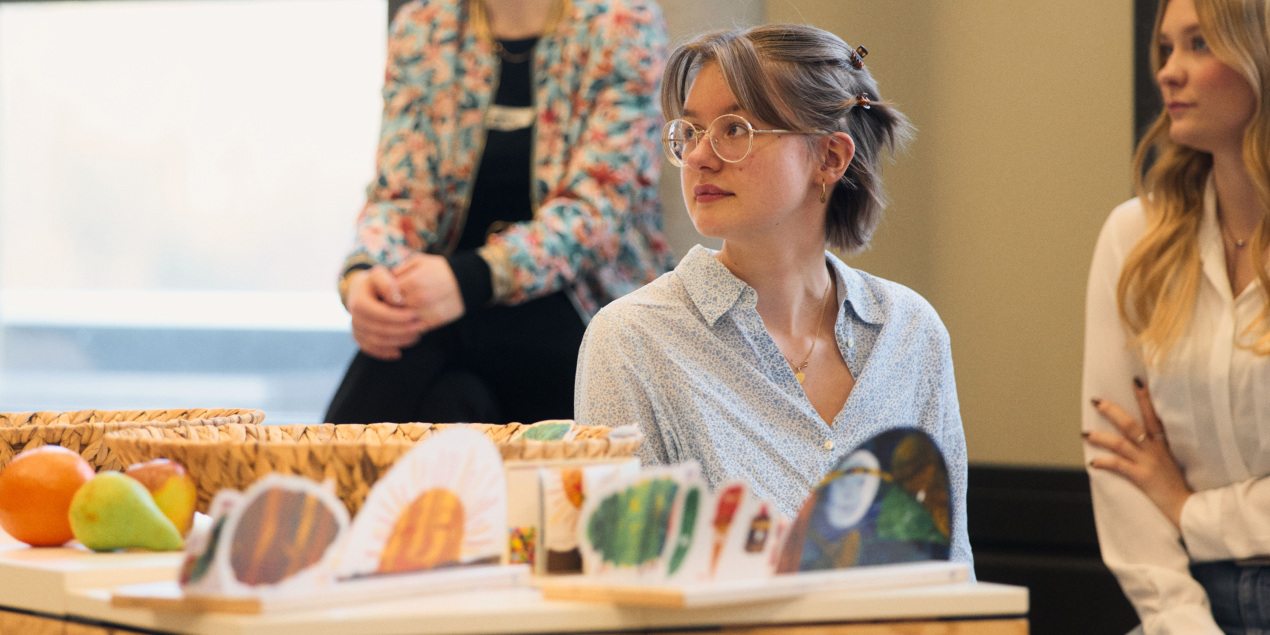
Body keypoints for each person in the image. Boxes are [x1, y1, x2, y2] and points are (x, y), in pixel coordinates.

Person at [573, 23, 973, 568]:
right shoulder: (632, 340)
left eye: (734, 129)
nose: (699, 158)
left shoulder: (911, 331)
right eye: (689, 132)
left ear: (830, 158)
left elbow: (953, 575)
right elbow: (627, 585)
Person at [324, 0, 673, 425]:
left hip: (584, 308)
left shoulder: (623, 23)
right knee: (452, 401)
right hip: (441, 307)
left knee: (422, 350)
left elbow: (598, 212)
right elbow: (401, 196)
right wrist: (364, 275)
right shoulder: (423, 26)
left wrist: (472, 278)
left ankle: (311, 480)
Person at [1081, 0, 1270, 631]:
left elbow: (1165, 496)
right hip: (1182, 607)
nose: (1168, 71)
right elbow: (1116, 457)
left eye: (1200, 44)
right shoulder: (1134, 236)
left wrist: (1189, 511)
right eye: (1166, 48)